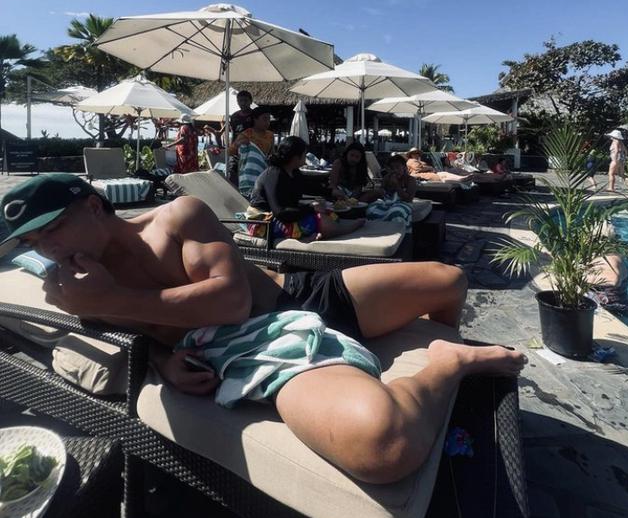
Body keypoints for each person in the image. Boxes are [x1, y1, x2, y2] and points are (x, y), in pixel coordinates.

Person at [0, 174, 525, 485]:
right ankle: (445, 366)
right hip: (259, 343)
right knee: (384, 447)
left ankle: (439, 352)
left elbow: (230, 298)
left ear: (94, 206)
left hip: (299, 295)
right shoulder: (68, 286)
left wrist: (112, 298)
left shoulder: (176, 217)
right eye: (32, 243)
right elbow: (126, 338)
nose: (47, 249)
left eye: (53, 229)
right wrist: (161, 361)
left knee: (449, 280)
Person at [249, 137, 364, 241]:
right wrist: (311, 209)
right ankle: (346, 229)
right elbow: (280, 212)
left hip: (284, 216)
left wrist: (332, 192)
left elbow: (309, 187)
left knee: (328, 212)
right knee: (319, 219)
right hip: (265, 223)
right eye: (304, 154)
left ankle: (310, 235)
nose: (306, 157)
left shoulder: (293, 172)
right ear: (295, 157)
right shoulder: (274, 174)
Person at [226, 90, 256, 185]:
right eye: (240, 101)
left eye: (245, 100)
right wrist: (231, 147)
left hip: (250, 151)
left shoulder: (255, 115)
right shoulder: (234, 116)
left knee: (248, 177)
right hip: (236, 150)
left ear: (251, 101)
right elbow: (233, 133)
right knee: (232, 175)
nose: (243, 103)